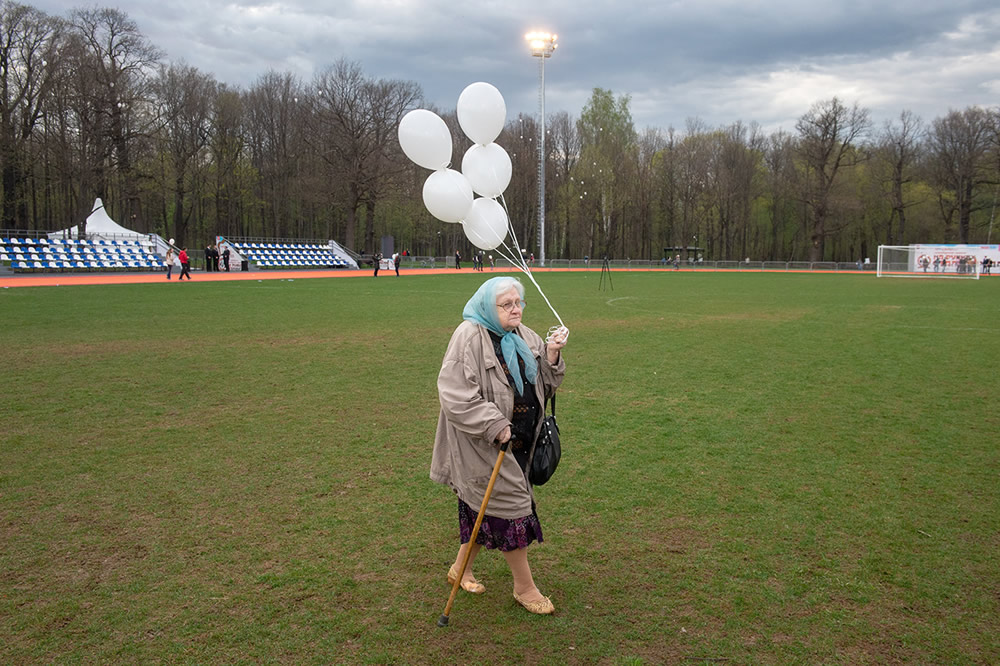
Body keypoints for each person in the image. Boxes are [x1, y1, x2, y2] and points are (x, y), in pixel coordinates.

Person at [430, 276, 568, 616]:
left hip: (521, 442)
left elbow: (544, 386)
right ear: (488, 308)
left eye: (518, 302)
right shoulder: (468, 337)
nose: (515, 309)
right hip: (481, 443)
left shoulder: (524, 336)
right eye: (506, 304)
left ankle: (459, 569)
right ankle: (525, 588)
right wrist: (495, 425)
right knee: (513, 509)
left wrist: (551, 355)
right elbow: (455, 394)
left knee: (484, 508)